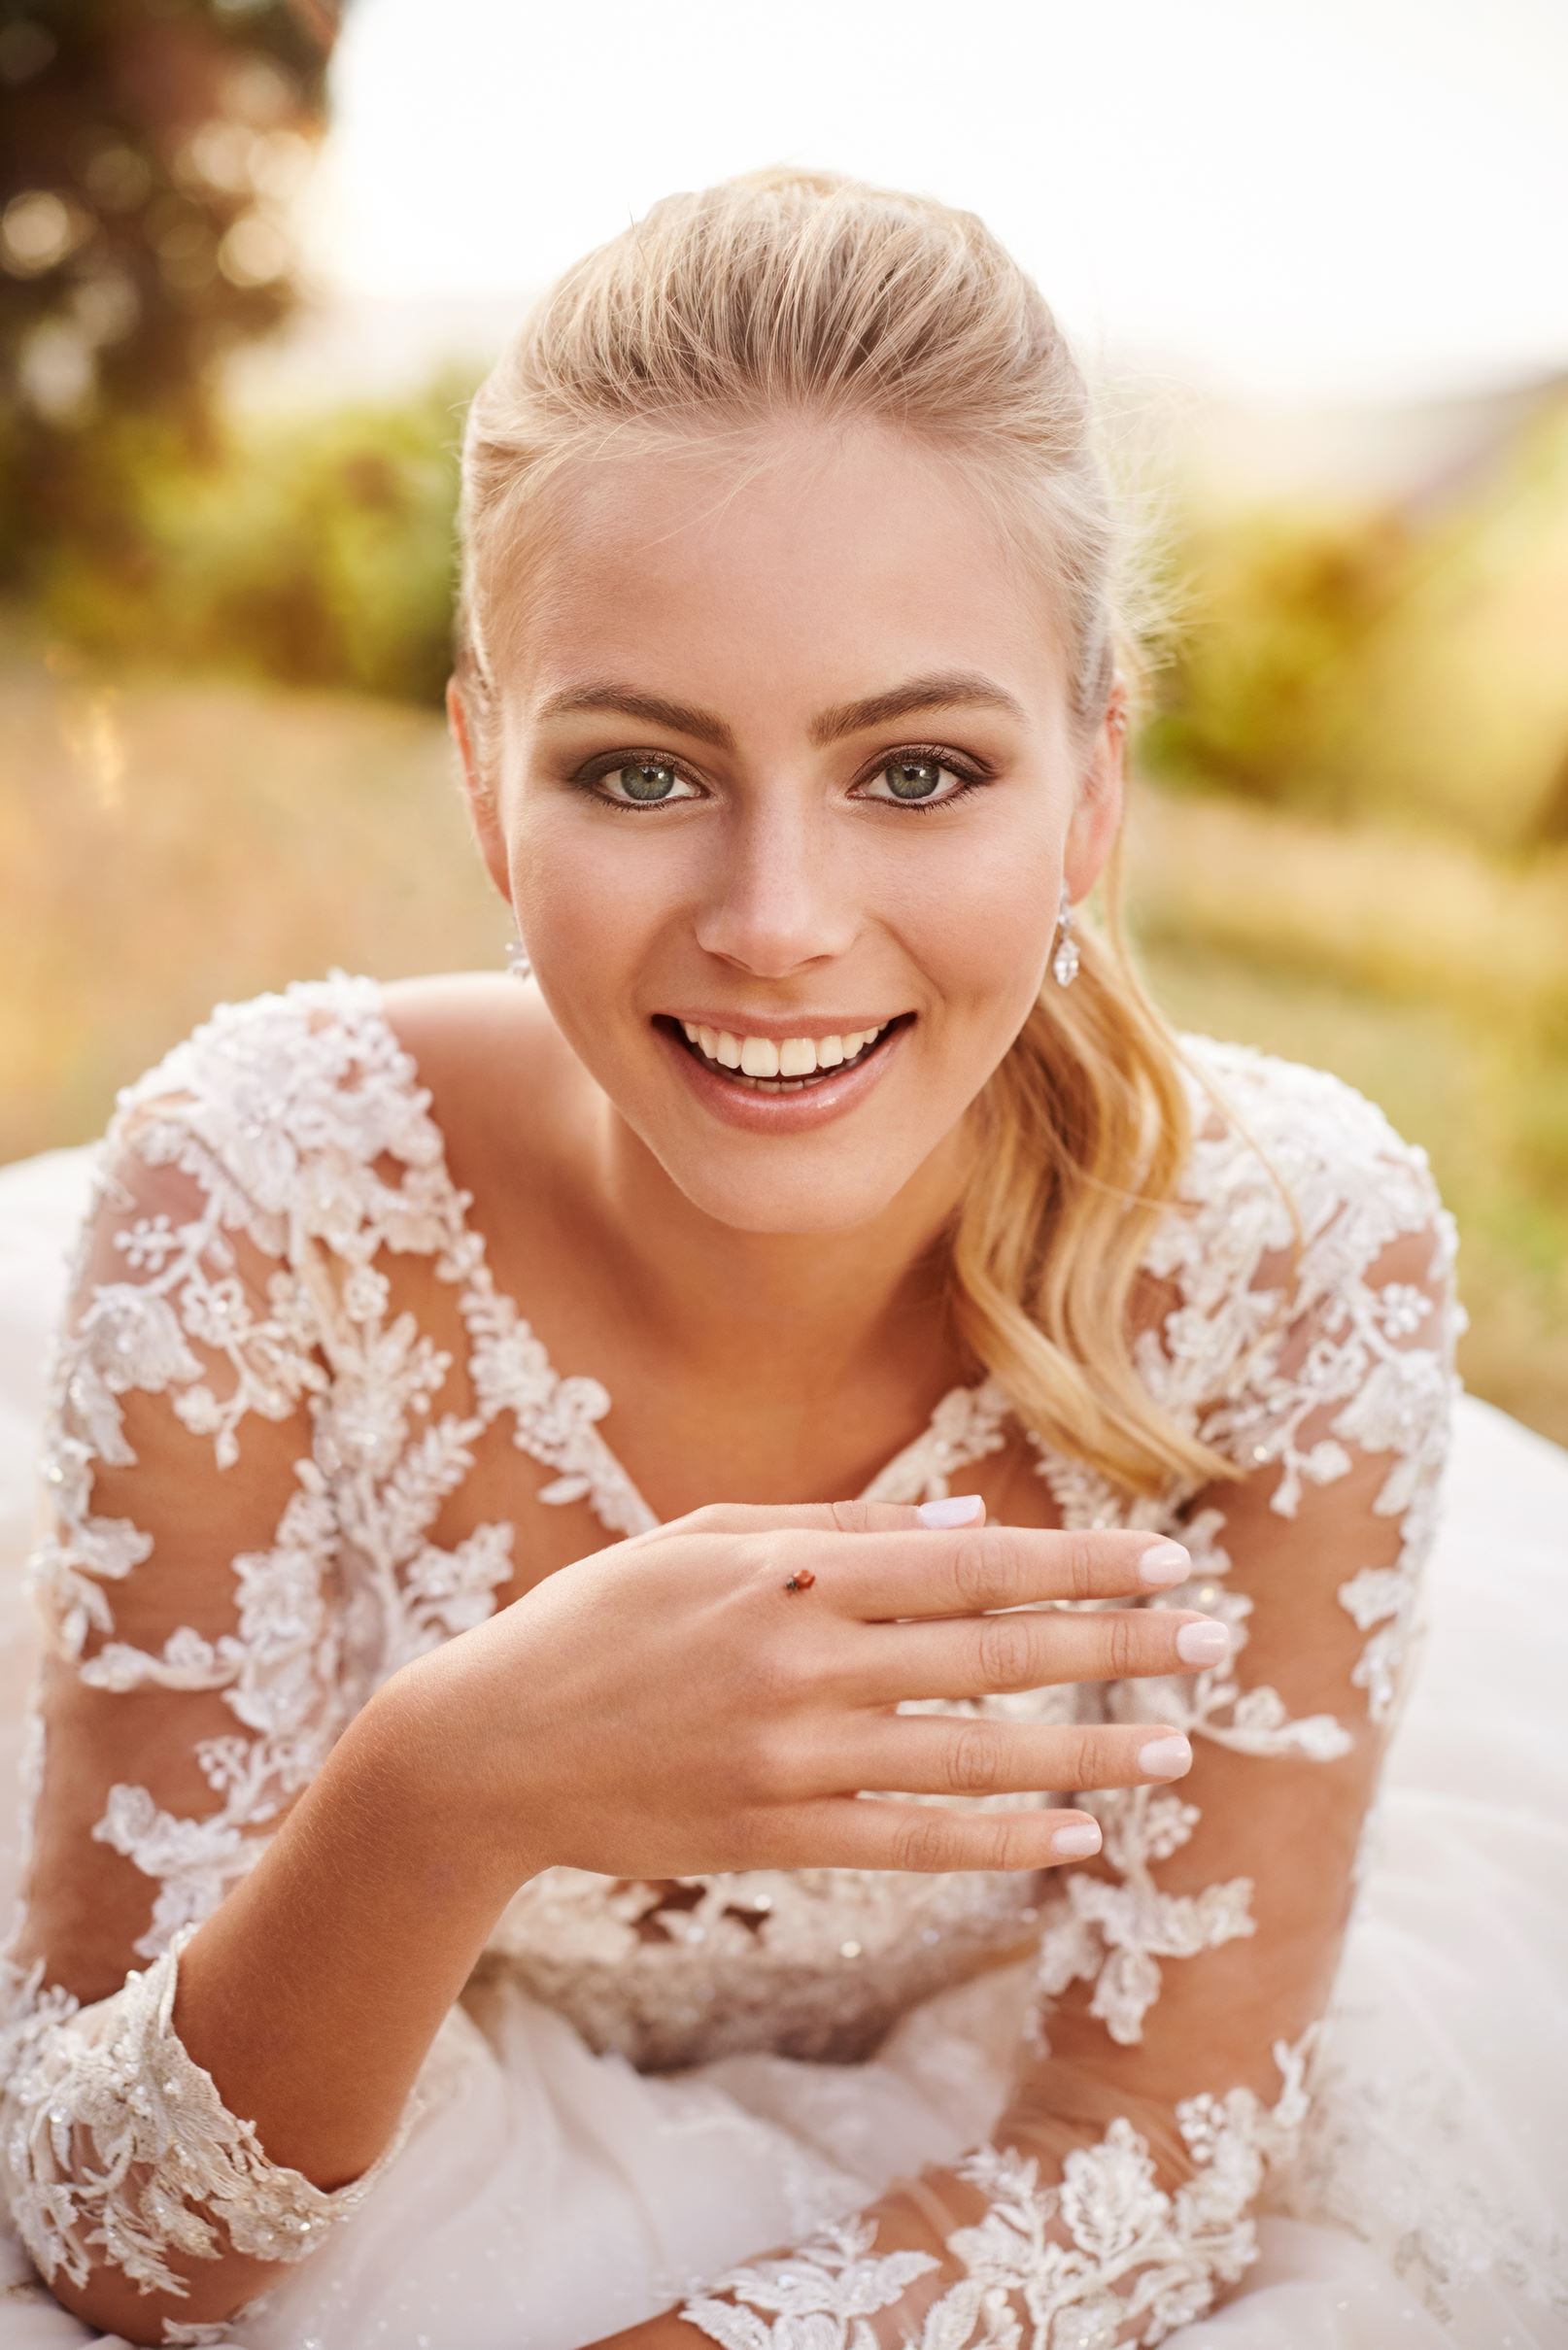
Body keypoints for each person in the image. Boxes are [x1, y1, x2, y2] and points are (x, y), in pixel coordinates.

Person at [0, 164, 1555, 2350]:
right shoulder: (261, 1205)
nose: (778, 923)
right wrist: (448, 1784)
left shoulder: (1295, 1265)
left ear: (1094, 785)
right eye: (642, 773)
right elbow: (114, 2239)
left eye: (917, 769)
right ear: (478, 771)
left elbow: (1153, 2137)